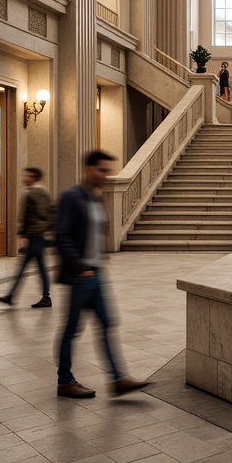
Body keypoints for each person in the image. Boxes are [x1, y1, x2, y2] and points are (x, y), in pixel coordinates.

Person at [55, 150, 152, 399]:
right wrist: (80, 267)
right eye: (102, 170)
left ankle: (118, 379)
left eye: (108, 171)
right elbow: (62, 235)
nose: (105, 175)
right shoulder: (72, 198)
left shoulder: (93, 198)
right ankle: (65, 381)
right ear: (88, 169)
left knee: (108, 323)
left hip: (95, 274)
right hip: (81, 276)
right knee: (72, 329)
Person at [0, 167, 53, 308]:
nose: (23, 177)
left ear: (33, 177)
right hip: (35, 236)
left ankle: (15, 295)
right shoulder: (35, 191)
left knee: (31, 267)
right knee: (34, 267)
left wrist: (27, 233)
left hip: (35, 236)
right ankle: (14, 295)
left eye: (26, 175)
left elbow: (40, 215)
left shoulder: (36, 192)